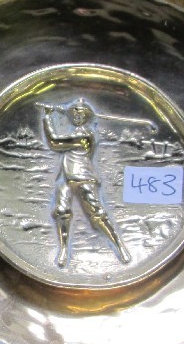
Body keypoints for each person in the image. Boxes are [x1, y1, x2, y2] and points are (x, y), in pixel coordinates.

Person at [42, 99, 132, 267]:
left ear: (87, 117)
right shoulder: (76, 131)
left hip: (83, 175)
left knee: (97, 213)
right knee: (61, 212)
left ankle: (119, 246)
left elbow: (55, 142)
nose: (77, 116)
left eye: (81, 114)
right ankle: (63, 250)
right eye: (74, 113)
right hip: (65, 177)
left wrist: (47, 118)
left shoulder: (85, 135)